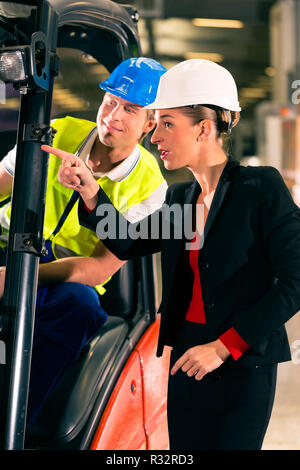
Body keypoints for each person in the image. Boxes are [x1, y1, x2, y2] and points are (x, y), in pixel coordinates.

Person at [46, 59, 300, 450]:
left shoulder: (258, 189)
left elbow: (294, 282)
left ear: (203, 128)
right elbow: (128, 241)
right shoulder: (182, 199)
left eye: (166, 123)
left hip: (238, 362)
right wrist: (90, 192)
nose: (154, 137)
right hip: (184, 357)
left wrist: (223, 347)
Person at [0, 57, 167, 424]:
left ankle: (17, 424)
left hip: (62, 278)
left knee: (81, 307)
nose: (113, 116)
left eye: (130, 109)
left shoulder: (152, 188)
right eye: (110, 102)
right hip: (5, 248)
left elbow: (98, 268)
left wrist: (14, 277)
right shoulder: (58, 131)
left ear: (150, 123)